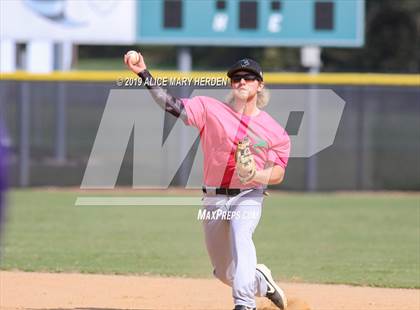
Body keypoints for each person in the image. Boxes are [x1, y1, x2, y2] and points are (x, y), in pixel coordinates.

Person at [124, 53, 290, 310]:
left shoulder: (274, 130)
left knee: (241, 234)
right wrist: (144, 73)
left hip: (248, 195)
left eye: (249, 78)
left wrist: (256, 176)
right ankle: (261, 281)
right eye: (236, 78)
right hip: (213, 197)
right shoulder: (209, 108)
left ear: (260, 84)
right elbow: (170, 105)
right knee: (224, 273)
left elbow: (278, 173)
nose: (242, 82)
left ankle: (245, 304)